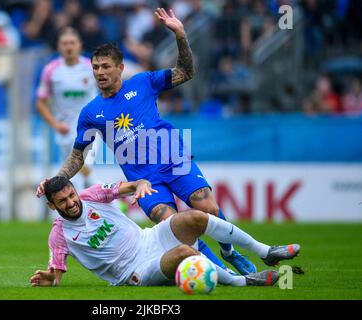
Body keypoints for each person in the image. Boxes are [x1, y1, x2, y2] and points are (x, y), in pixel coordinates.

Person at [36, 8, 256, 275]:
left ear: (120, 67)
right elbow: (77, 156)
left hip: (172, 160)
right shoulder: (91, 112)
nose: (100, 72)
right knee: (174, 224)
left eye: (106, 66)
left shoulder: (143, 82)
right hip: (144, 179)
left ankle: (229, 252)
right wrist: (55, 181)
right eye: (95, 67)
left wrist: (180, 35)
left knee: (206, 206)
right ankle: (221, 272)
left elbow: (186, 72)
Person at [30, 176, 300, 287]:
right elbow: (56, 274)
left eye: (71, 195)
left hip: (150, 237)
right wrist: (49, 279)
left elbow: (127, 186)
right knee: (184, 253)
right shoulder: (59, 234)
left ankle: (265, 251)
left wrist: (140, 184)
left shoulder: (92, 195)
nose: (71, 202)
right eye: (63, 201)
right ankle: (243, 281)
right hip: (133, 271)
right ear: (53, 206)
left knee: (195, 217)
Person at [36, 27, 99, 190]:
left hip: (89, 126)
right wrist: (56, 124)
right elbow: (41, 102)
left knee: (84, 166)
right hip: (64, 129)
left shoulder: (92, 67)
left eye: (72, 43)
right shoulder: (51, 70)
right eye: (64, 43)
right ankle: (111, 201)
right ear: (58, 47)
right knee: (78, 174)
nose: (69, 47)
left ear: (80, 45)